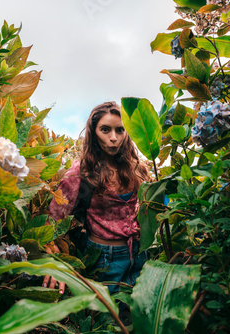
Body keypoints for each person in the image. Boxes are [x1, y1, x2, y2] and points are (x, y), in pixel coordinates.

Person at [45, 101, 151, 295]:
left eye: (120, 130)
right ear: (94, 133)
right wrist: (55, 264)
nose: (113, 138)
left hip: (139, 256)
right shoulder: (81, 173)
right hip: (103, 260)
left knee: (137, 316)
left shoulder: (138, 169)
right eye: (105, 130)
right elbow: (52, 222)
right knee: (105, 320)